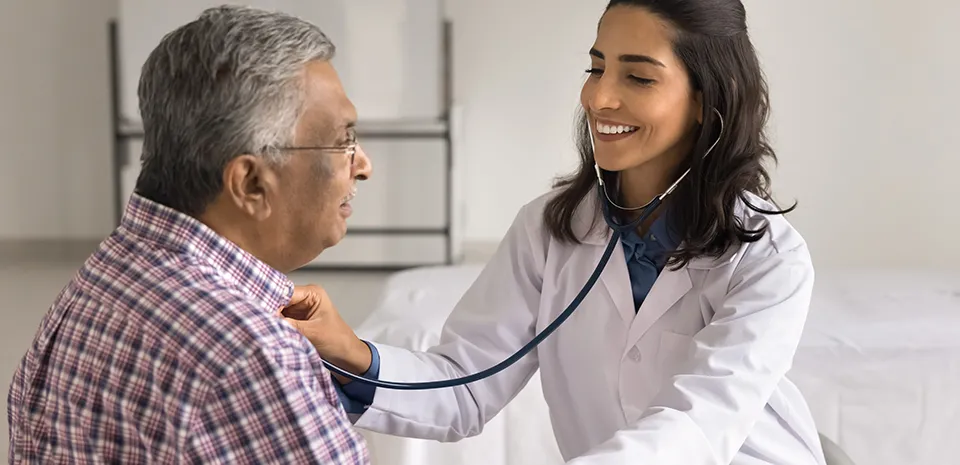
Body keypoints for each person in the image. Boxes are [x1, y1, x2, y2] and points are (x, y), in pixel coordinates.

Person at [284, 0, 828, 464]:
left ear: (710, 99)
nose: (600, 98)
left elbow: (698, 427)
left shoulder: (768, 257)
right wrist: (350, 350)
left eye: (637, 76)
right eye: (597, 69)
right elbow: (465, 387)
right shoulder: (550, 231)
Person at [7, 5, 374, 464]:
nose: (363, 165)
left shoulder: (97, 283)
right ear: (252, 184)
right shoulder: (255, 357)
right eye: (344, 140)